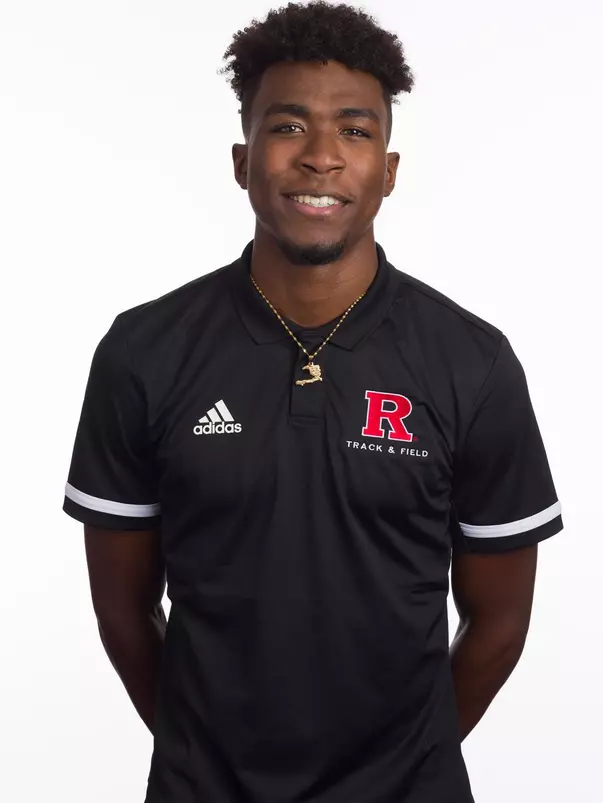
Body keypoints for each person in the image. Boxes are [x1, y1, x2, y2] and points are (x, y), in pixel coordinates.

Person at [63, 2, 563, 801]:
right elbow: (123, 612)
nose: (321, 157)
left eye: (355, 131)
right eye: (288, 126)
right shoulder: (144, 350)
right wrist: (205, 760)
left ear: (389, 170)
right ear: (242, 158)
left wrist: (401, 767)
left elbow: (500, 621)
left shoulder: (472, 361)